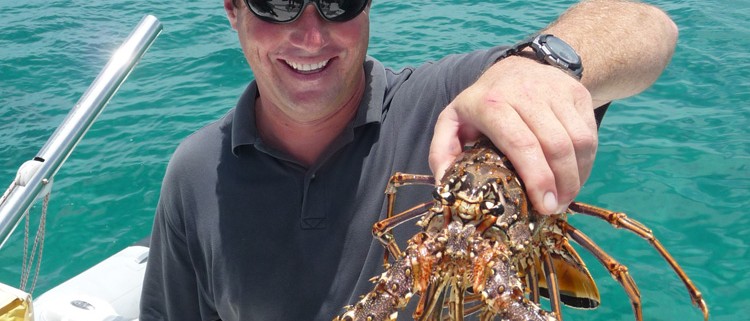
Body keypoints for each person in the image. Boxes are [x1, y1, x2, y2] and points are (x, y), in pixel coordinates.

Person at [140, 0, 678, 320]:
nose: (309, 34)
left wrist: (544, 66)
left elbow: (647, 23)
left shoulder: (454, 105)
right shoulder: (195, 175)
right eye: (276, 3)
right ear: (233, 8)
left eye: (338, 1)